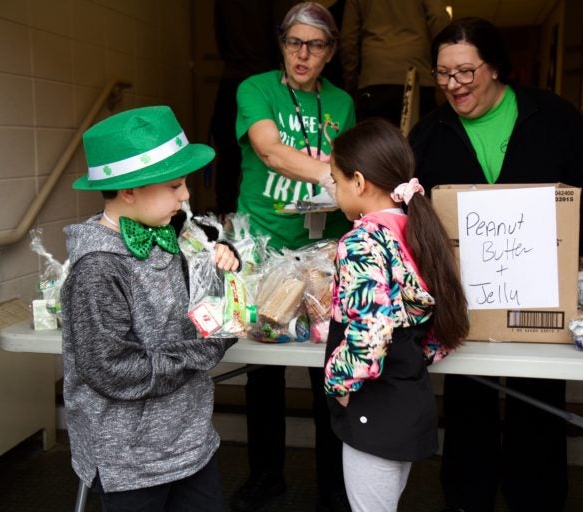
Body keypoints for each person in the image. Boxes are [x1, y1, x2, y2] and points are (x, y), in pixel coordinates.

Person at [408, 17, 583, 512]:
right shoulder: (430, 134)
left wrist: (567, 261)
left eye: (465, 73)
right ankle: (466, 500)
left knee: (537, 407)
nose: (453, 86)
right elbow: (408, 211)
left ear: (495, 67)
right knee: (466, 404)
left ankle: (536, 502)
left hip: (541, 298)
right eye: (442, 74)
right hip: (462, 300)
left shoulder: (552, 116)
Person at [60, 105, 241, 512]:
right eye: (175, 185)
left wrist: (223, 266)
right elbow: (113, 369)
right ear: (130, 190)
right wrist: (207, 350)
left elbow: (199, 301)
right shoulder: (98, 269)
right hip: (130, 458)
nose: (187, 195)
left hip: (191, 440)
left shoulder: (171, 236)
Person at [231, 3, 356, 511]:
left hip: (324, 248)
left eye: (316, 45)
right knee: (263, 367)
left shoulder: (343, 103)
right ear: (281, 43)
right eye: (293, 42)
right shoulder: (255, 89)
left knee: (328, 364)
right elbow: (269, 150)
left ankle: (332, 483)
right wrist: (330, 175)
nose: (303, 54)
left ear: (331, 52)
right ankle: (266, 475)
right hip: (264, 245)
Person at [323, 118, 469, 512]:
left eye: (335, 181)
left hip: (374, 406)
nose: (334, 191)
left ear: (358, 181)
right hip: (409, 399)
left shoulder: (362, 241)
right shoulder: (417, 230)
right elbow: (443, 318)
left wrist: (337, 382)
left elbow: (371, 328)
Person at [209, 0, 297, 214]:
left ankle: (226, 215)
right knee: (268, 153)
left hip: (232, 76)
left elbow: (220, 39)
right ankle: (256, 214)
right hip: (265, 77)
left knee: (228, 155)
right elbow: (282, 34)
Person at [340, 0, 450, 125]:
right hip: (418, 73)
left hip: (375, 75)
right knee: (420, 139)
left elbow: (348, 40)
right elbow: (438, 17)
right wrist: (443, 66)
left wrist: (351, 84)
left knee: (377, 141)